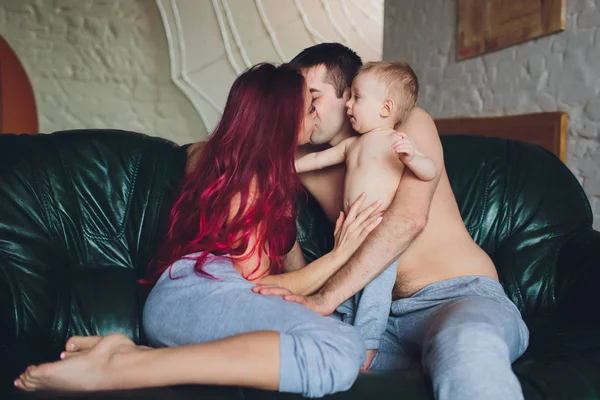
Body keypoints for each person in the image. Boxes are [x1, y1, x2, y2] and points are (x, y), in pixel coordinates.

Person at [13, 62, 385, 397]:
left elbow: (290, 279)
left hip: (199, 300)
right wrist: (341, 254)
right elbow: (261, 287)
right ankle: (123, 369)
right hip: (194, 293)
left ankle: (127, 354)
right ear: (281, 119)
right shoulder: (248, 185)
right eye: (308, 106)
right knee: (339, 349)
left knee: (344, 341)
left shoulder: (273, 182)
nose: (315, 114)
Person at [253, 43, 530, 400]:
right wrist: (303, 295)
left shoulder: (406, 124)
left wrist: (325, 298)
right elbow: (212, 158)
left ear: (349, 94)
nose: (303, 110)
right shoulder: (304, 161)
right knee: (277, 341)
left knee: (467, 345)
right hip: (371, 319)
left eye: (314, 97)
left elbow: (408, 221)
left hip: (457, 297)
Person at [294, 60, 436, 370]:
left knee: (374, 290)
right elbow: (316, 161)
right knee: (348, 283)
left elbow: (430, 171)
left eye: (356, 97)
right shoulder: (351, 145)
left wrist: (413, 158)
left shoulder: (396, 140)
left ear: (386, 108)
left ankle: (369, 345)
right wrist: (282, 164)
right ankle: (348, 329)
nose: (349, 104)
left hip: (379, 231)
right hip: (351, 234)